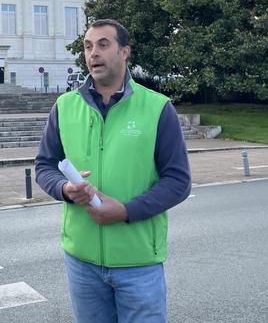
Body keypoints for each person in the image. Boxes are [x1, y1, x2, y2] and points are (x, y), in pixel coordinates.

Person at [35, 19, 191, 323]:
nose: (94, 53)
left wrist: (126, 211)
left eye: (103, 44)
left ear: (125, 52)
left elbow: (178, 181)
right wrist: (65, 190)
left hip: (138, 262)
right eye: (88, 46)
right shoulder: (64, 106)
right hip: (82, 262)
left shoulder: (158, 108)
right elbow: (44, 165)